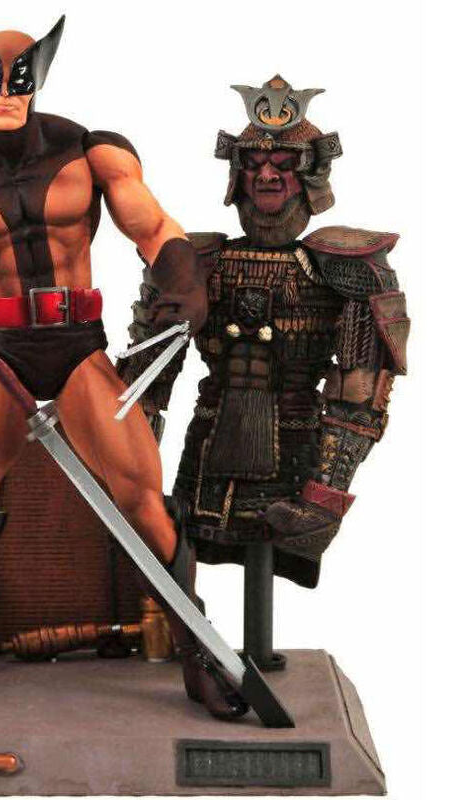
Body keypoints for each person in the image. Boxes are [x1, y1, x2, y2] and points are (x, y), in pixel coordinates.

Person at [0, 8, 244, 719]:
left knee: (142, 496)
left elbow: (153, 226)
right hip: (4, 352)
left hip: (77, 346)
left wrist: (184, 283)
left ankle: (197, 655)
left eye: (19, 82)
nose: (5, 94)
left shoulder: (91, 152)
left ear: (38, 81)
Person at [119, 75, 410, 591]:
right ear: (237, 173)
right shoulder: (197, 260)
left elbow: (360, 394)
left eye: (283, 163)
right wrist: (127, 480)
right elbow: (145, 382)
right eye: (253, 163)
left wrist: (325, 497)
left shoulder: (347, 267)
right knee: (174, 570)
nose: (267, 175)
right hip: (207, 447)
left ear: (312, 174)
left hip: (298, 452)